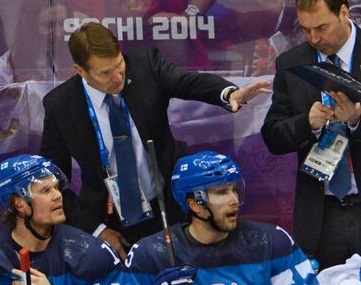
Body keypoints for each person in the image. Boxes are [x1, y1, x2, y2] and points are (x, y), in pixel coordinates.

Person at [40, 22, 271, 260]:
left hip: (168, 208)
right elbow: (52, 181)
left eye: (119, 65)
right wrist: (97, 230)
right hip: (109, 221)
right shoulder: (60, 106)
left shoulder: (145, 65)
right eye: (105, 74)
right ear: (81, 71)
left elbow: (188, 82)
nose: (118, 77)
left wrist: (228, 93)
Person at [124, 151, 326, 285]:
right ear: (195, 203)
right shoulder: (149, 253)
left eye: (234, 189)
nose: (235, 200)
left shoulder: (271, 240)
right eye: (222, 192)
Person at [262, 0, 361, 270]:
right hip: (321, 214)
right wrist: (307, 123)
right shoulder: (291, 63)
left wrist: (356, 121)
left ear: (344, 12)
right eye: (306, 30)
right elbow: (273, 136)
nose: (314, 38)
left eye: (321, 28)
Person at [0, 154, 126, 285]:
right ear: (19, 204)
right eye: (46, 190)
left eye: (56, 187)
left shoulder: (91, 252)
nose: (58, 195)